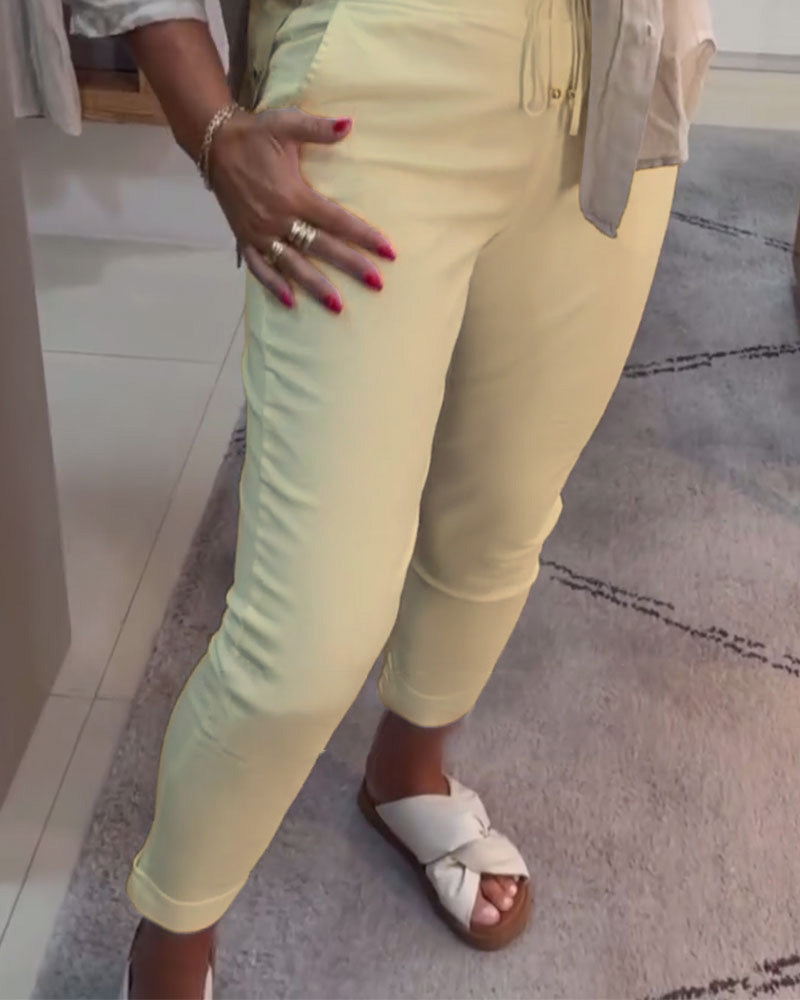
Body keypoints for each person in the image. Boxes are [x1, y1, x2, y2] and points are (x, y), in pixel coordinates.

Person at [71, 0, 716, 996]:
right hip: (376, 88)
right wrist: (211, 126)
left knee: (500, 517)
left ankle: (406, 769)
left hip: (611, 82)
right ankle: (172, 936)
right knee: (304, 640)